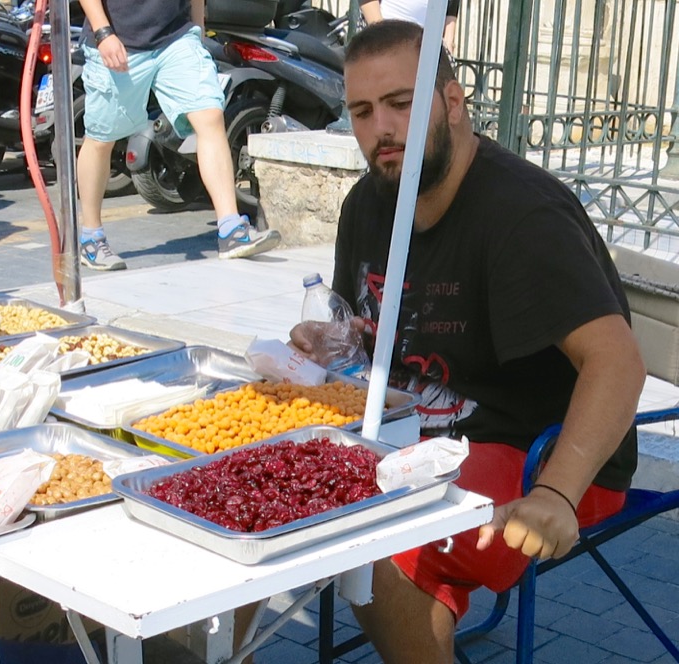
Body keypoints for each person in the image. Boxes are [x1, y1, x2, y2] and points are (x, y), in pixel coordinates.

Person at [289, 20, 646, 663]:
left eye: (401, 103)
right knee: (260, 474)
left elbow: (618, 362)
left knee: (371, 531)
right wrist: (337, 339)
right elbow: (375, 331)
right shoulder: (367, 203)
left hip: (539, 453)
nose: (382, 129)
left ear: (452, 102)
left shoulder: (522, 216)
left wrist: (556, 491)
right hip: (410, 438)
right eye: (363, 112)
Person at [76, 0, 281, 270]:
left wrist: (197, 30)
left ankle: (230, 228)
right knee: (101, 139)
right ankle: (91, 238)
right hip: (118, 40)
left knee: (210, 116)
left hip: (176, 38)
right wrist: (103, 32)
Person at [358, 0, 460, 53]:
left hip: (428, 48)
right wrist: (383, 39)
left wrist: (448, 42)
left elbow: (451, 7)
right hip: (385, 40)